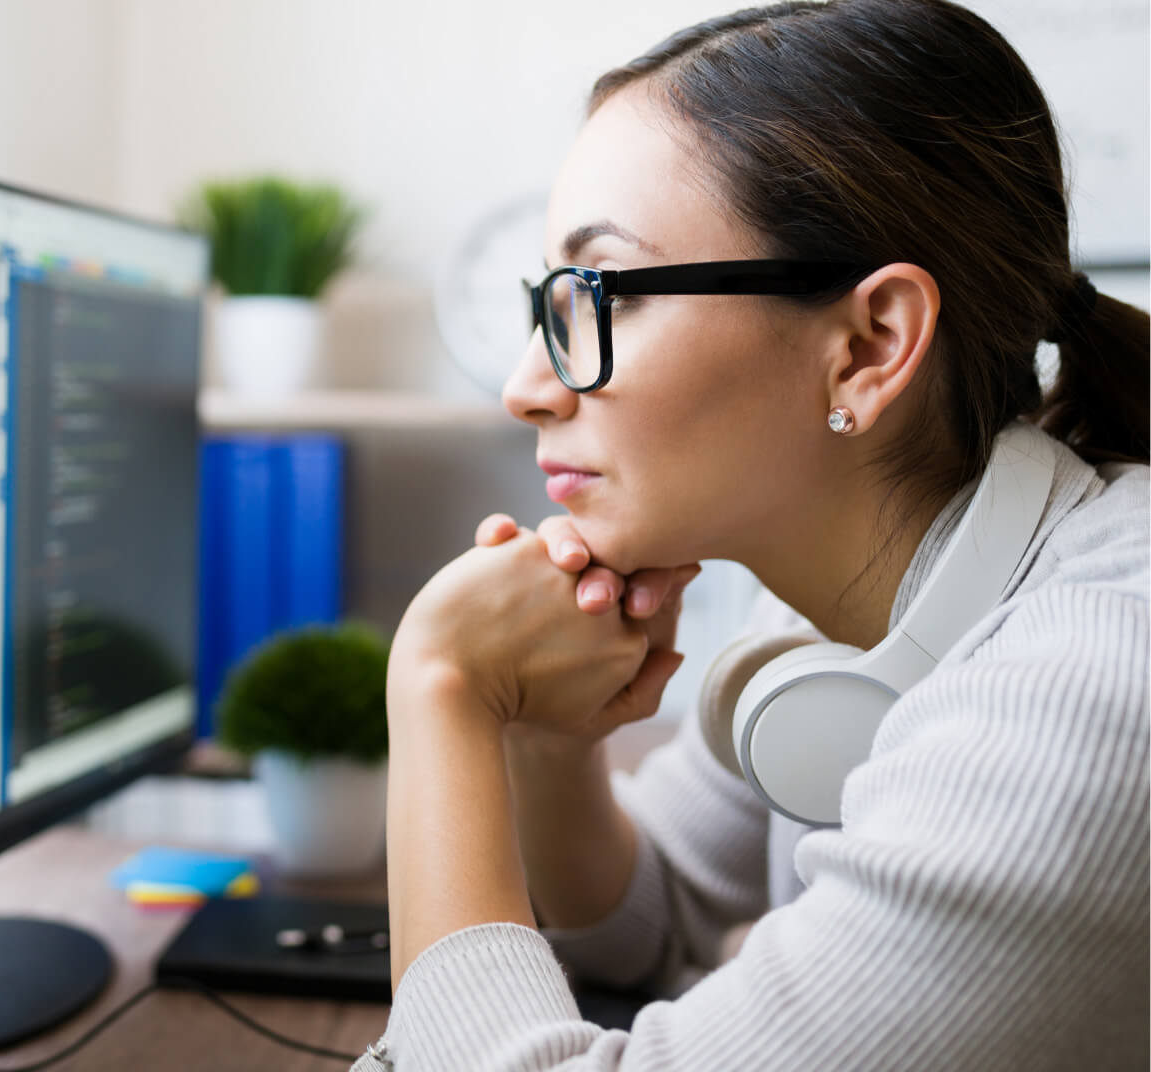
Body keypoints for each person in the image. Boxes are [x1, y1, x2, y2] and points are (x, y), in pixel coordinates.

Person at [356, 0, 1149, 1068]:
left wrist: (442, 685)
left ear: (869, 346)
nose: (524, 387)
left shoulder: (1088, 692)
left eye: (599, 295)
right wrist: (547, 736)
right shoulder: (847, 573)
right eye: (547, 301)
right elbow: (652, 911)